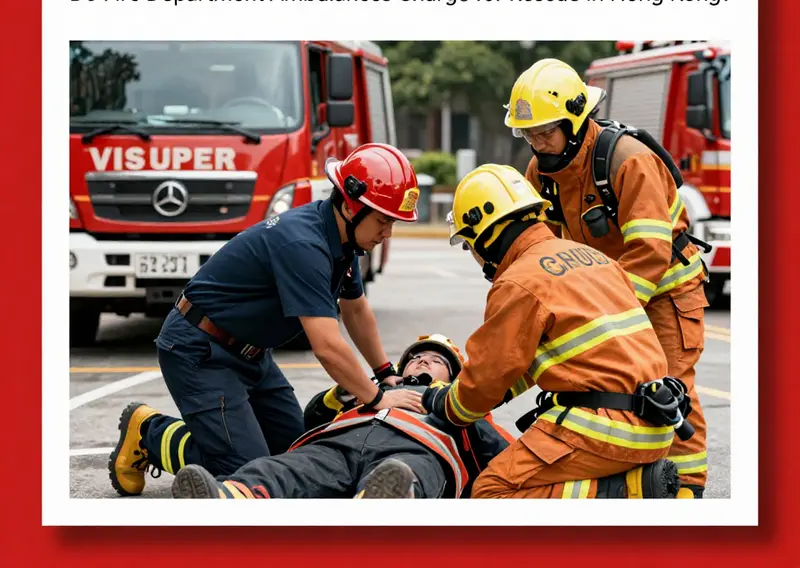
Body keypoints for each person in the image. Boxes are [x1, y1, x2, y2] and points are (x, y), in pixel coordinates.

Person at [109, 143, 425, 497]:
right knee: (245, 470)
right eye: (383, 220)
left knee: (297, 456)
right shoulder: (303, 244)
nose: (387, 234)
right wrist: (377, 397)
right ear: (352, 205)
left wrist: (384, 371)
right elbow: (327, 346)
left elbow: (356, 309)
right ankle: (148, 432)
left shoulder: (344, 243)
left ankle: (201, 440)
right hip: (200, 350)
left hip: (250, 354)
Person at [503, 58, 709, 498]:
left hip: (666, 293)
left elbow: (650, 251)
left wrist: (608, 311)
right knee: (617, 393)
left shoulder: (629, 160)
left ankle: (688, 491)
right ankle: (641, 482)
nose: (537, 143)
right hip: (613, 295)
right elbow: (544, 249)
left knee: (670, 389)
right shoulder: (541, 173)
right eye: (528, 134)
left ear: (575, 121)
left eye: (545, 132)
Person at [421, 164, 686, 499]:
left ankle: (627, 492)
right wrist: (494, 391)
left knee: (491, 492)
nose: (474, 256)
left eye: (469, 244)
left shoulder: (519, 281)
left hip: (603, 427)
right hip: (658, 422)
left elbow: (485, 380)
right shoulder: (594, 258)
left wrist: (443, 402)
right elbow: (535, 360)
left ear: (485, 235)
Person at [170, 334, 514, 499]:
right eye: (417, 356)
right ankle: (225, 497)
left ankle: (385, 504)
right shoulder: (373, 391)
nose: (423, 361)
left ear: (452, 377)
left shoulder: (458, 406)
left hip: (419, 449)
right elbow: (311, 419)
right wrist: (342, 394)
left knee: (407, 473)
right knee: (283, 466)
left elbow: (504, 454)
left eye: (436, 361)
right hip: (340, 443)